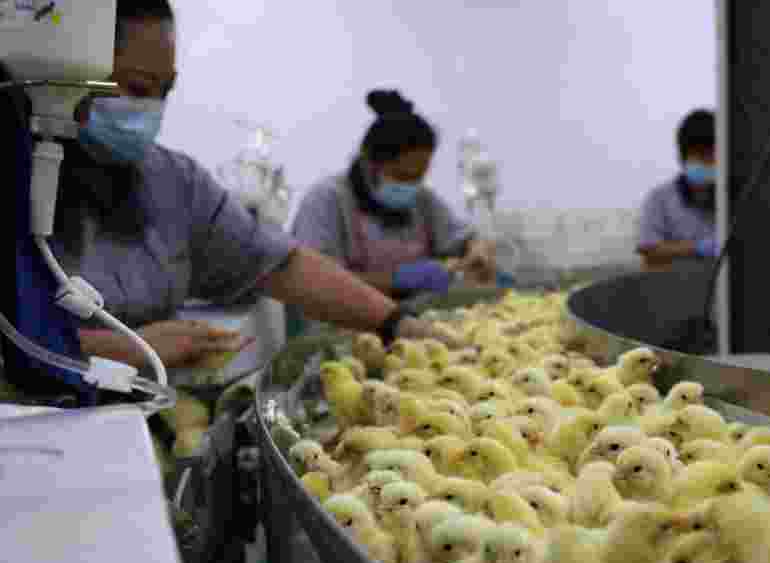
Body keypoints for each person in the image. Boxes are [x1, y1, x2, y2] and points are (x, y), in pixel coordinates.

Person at [15, 0, 456, 377]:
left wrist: (396, 323)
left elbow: (281, 265)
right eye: (136, 88)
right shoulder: (17, 173)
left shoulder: (174, 183)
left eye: (164, 91)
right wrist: (126, 348)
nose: (151, 108)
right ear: (67, 73)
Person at [290, 90, 497, 300]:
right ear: (370, 165)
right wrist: (396, 280)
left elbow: (466, 239)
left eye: (419, 177)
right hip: (341, 324)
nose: (410, 186)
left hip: (412, 321)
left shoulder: (422, 201)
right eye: (401, 175)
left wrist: (478, 252)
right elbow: (315, 280)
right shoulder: (327, 200)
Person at [636, 109, 719, 270]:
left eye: (712, 156)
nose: (708, 162)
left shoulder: (731, 196)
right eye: (701, 155)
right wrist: (698, 248)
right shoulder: (659, 199)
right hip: (672, 289)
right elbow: (648, 249)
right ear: (683, 158)